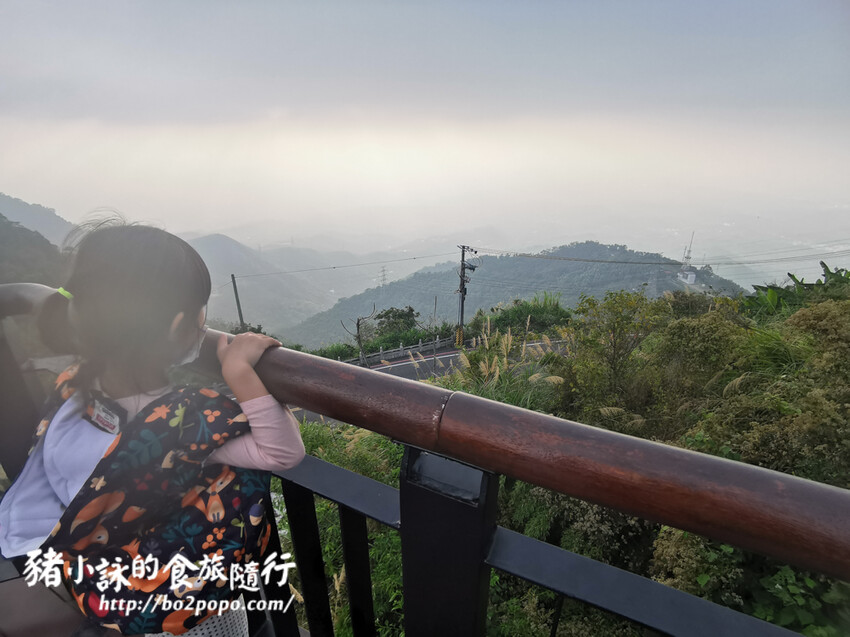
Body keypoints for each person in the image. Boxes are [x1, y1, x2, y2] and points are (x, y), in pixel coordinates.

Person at [0, 219, 306, 636]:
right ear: (179, 326)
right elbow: (282, 452)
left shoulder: (73, 388)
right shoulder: (183, 422)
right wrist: (239, 371)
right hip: (174, 614)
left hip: (96, 586)